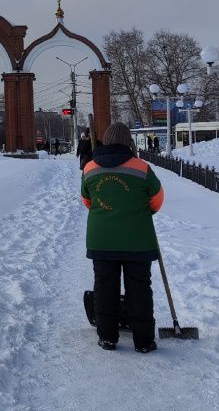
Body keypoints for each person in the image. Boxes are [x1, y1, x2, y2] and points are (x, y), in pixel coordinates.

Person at [80, 122, 163, 353]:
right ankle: (144, 341)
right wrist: (139, 213)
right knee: (140, 289)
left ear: (106, 140)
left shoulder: (90, 168)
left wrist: (107, 212)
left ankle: (107, 337)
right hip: (138, 240)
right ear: (129, 142)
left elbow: (87, 200)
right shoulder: (142, 168)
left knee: (105, 287)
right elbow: (156, 200)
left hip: (102, 239)